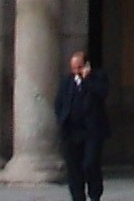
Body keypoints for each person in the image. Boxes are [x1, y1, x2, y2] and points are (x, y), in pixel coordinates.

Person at [53, 49, 110, 201]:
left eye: (79, 67)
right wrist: (62, 119)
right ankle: (78, 197)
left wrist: (87, 80)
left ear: (86, 65)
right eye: (73, 68)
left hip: (92, 131)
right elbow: (59, 102)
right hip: (71, 131)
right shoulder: (67, 81)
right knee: (73, 167)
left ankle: (95, 194)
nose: (76, 71)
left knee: (90, 164)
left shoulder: (98, 78)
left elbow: (102, 93)